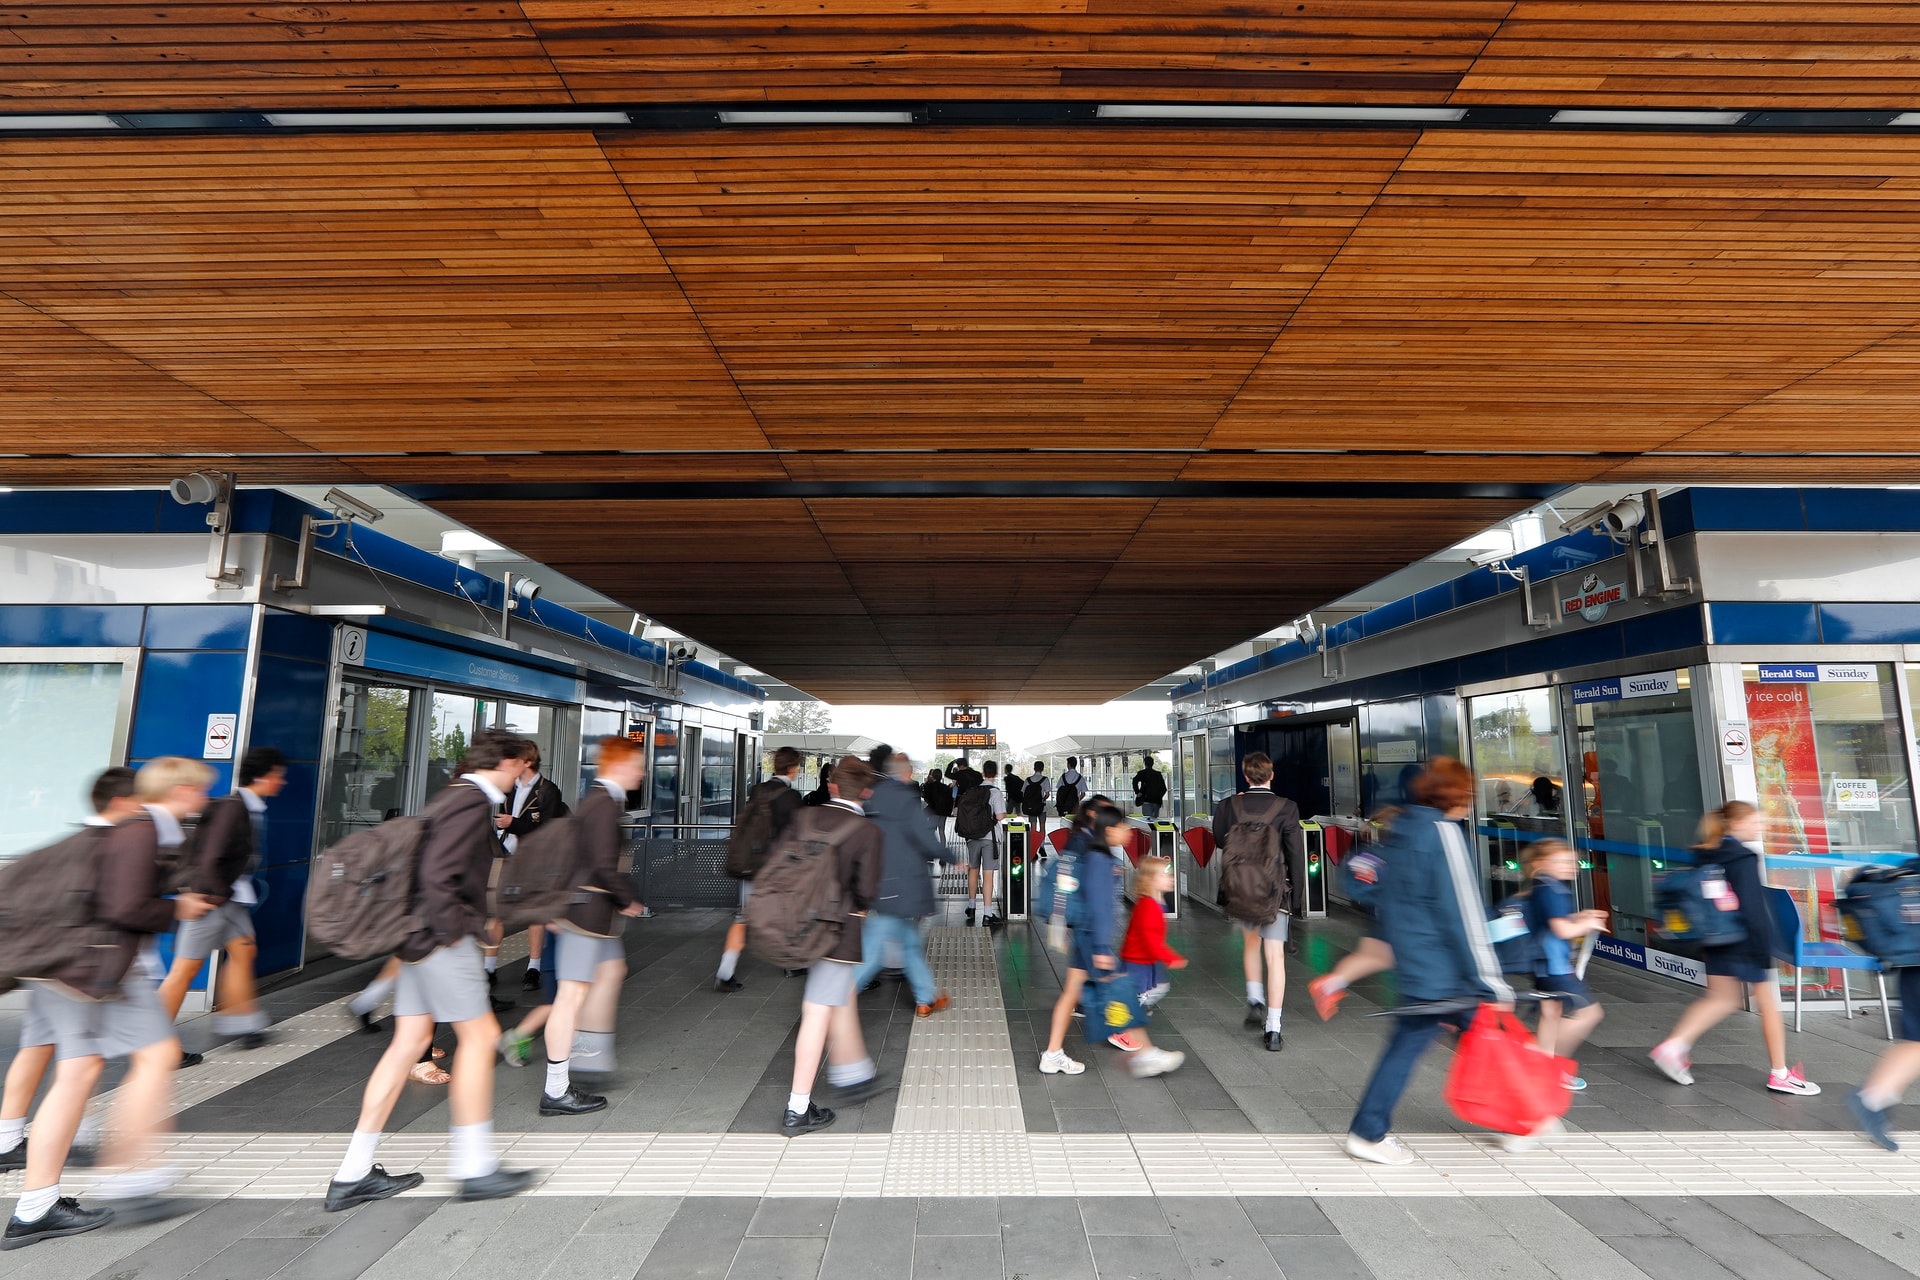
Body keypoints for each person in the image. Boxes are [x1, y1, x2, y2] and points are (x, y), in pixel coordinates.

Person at [3, 758, 219, 1250]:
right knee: (157, 1057)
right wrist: (176, 908)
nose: (204, 800)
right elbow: (124, 907)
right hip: (99, 972)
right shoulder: (142, 830)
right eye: (200, 791)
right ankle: (134, 1180)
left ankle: (35, 1207)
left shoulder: (131, 829)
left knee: (78, 1071)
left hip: (68, 970)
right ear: (182, 791)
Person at [324, 729, 537, 1212]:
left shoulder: (450, 797)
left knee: (405, 1047)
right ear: (504, 762)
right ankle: (474, 1168)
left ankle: (352, 1173)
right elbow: (439, 878)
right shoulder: (469, 802)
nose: (523, 774)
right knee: (481, 1040)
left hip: (416, 940)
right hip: (443, 940)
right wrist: (474, 925)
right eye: (521, 764)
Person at [1346, 758, 1514, 1167]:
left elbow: (1358, 879)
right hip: (1447, 970)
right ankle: (1367, 1132)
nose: (1472, 804)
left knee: (1451, 1040)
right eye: (1470, 795)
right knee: (1468, 1040)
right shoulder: (1443, 834)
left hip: (1418, 965)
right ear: (1456, 797)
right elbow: (1464, 914)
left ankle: (1515, 1120)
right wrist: (1492, 980)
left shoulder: (1400, 830)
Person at [0, 768, 141, 1176]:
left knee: (38, 1046)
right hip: (73, 972)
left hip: (43, 968)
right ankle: (69, 1149)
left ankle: (9, 1139)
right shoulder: (103, 847)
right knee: (81, 1064)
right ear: (120, 804)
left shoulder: (63, 845)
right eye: (139, 803)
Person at [1649, 801, 1819, 1097]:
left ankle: (1673, 1047)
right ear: (1736, 825)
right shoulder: (1743, 857)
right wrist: (1763, 948)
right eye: (1755, 822)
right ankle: (1780, 1073)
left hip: (1715, 936)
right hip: (1745, 939)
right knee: (1768, 1005)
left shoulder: (1708, 851)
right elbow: (1752, 907)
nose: (1760, 827)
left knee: (1722, 998)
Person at [538, 736, 646, 1117]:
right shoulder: (601, 804)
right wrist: (628, 898)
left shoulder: (600, 800)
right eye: (637, 765)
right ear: (619, 765)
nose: (643, 772)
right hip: (586, 916)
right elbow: (602, 863)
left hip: (594, 917)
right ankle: (556, 1088)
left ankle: (591, 1053)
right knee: (570, 998)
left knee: (612, 971)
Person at [780, 756, 886, 1137]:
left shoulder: (804, 817)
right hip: (837, 933)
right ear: (867, 791)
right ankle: (797, 1108)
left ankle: (852, 1070)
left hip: (799, 927)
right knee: (816, 1014)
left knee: (839, 998)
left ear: (833, 785)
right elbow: (868, 891)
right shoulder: (866, 831)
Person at [1039, 802, 1182, 1078]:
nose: (1127, 831)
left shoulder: (1095, 855)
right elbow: (1098, 907)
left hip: (1085, 937)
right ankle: (1144, 1054)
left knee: (1072, 994)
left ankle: (1052, 1054)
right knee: (1122, 993)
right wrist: (1102, 948)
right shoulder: (1100, 861)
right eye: (1122, 826)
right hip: (1092, 942)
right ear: (1110, 828)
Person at [158, 745, 286, 1054]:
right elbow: (211, 855)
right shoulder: (233, 808)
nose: (281, 782)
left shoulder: (246, 806)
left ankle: (241, 1022)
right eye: (278, 776)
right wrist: (209, 898)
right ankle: (153, 1044)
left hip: (230, 900)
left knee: (244, 951)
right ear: (264, 776)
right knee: (184, 971)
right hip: (211, 900)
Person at [852, 749, 953, 1018]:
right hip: (899, 885)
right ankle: (834, 1000)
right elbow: (925, 837)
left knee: (909, 942)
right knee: (873, 949)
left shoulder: (872, 796)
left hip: (881, 880)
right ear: (906, 773)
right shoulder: (905, 799)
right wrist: (951, 856)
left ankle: (925, 998)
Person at [1213, 752, 1304, 1050]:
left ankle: (1255, 999)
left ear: (1246, 775)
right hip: (1275, 891)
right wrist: (1298, 897)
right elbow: (1294, 854)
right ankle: (1274, 1028)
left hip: (1242, 889)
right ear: (1271, 775)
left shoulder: (1229, 805)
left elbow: (1219, 840)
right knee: (1274, 957)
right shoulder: (1287, 808)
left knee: (1251, 944)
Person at [1520, 839, 1607, 1090]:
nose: (1571, 866)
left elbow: (1552, 922)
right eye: (1562, 861)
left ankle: (1544, 1065)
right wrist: (1587, 924)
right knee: (1589, 1014)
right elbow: (1561, 929)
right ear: (1541, 864)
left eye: (1571, 861)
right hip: (1555, 966)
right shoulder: (1553, 889)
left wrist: (1580, 917)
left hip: (1542, 964)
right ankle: (1544, 1060)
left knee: (1551, 1015)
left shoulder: (1541, 886)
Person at [718, 746, 805, 992]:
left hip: (751, 865)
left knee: (743, 918)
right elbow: (797, 836)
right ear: (792, 767)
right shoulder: (791, 797)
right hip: (778, 868)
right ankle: (791, 963)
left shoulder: (757, 790)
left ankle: (725, 971)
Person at [499, 747, 568, 992]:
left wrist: (512, 823)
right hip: (507, 853)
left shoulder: (548, 791)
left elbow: (545, 831)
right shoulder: (509, 787)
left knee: (536, 913)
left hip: (536, 859)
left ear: (527, 762)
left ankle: (534, 967)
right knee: (494, 912)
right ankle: (488, 968)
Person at [1120, 855, 1185, 1013]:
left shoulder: (1153, 902)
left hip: (1144, 959)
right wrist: (1170, 957)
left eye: (1170, 875)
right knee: (1136, 994)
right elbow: (1150, 940)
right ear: (1150, 881)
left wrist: (1164, 863)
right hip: (1137, 961)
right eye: (1164, 876)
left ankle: (1133, 1014)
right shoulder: (1150, 906)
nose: (1171, 879)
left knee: (1146, 990)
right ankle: (1120, 1029)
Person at [955, 761, 1006, 926]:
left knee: (973, 870)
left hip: (971, 837)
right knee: (988, 874)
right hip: (988, 837)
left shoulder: (972, 790)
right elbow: (999, 817)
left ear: (983, 773)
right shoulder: (995, 792)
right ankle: (988, 914)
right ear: (996, 774)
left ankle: (971, 907)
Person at [921, 768, 955, 842]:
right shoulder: (946, 788)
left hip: (933, 812)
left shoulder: (929, 786)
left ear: (932, 776)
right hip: (943, 812)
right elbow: (950, 800)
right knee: (942, 831)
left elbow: (925, 797)